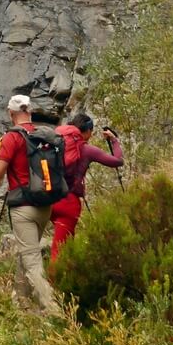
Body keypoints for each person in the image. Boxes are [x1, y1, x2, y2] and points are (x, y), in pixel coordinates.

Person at [0, 94, 59, 314]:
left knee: (32, 260)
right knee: (26, 253)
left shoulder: (12, 137)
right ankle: (21, 302)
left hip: (23, 207)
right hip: (45, 205)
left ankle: (54, 310)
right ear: (29, 111)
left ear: (10, 113)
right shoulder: (43, 134)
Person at [50, 113, 123, 264]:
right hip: (68, 203)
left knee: (56, 243)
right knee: (61, 250)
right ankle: (54, 283)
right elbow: (117, 161)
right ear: (88, 131)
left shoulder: (57, 144)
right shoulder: (87, 150)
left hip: (48, 198)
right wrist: (114, 140)